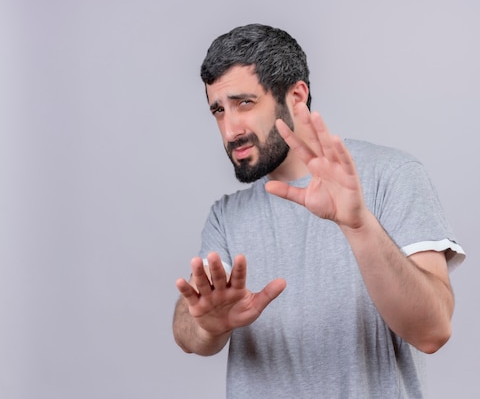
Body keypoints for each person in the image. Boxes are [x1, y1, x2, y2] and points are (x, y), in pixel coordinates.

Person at [172, 23, 465, 398]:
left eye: (244, 103)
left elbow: (433, 330)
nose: (229, 130)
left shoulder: (390, 176)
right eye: (218, 110)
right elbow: (189, 332)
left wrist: (359, 226)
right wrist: (207, 326)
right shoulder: (227, 216)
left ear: (296, 96)